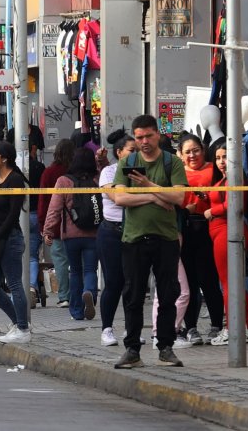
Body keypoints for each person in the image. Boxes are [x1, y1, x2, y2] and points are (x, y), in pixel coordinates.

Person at [111, 114, 188, 369]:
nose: (144, 141)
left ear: (158, 135)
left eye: (148, 136)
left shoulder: (172, 162)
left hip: (166, 238)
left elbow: (178, 196)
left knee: (168, 294)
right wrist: (155, 197)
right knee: (133, 295)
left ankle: (165, 347)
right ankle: (132, 349)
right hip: (133, 238)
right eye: (139, 137)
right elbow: (120, 198)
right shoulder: (129, 162)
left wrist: (147, 184)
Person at [204, 141, 248, 346]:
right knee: (233, 284)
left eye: (225, 157)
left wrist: (212, 211)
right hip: (222, 234)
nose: (222, 162)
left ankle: (233, 328)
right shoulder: (223, 179)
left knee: (229, 285)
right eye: (218, 158)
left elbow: (235, 203)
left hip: (228, 233)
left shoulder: (236, 177)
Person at [177, 134, 224, 345]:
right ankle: (191, 328)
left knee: (210, 280)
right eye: (187, 152)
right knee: (189, 282)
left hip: (209, 227)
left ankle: (216, 325)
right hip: (185, 229)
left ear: (203, 150)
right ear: (180, 155)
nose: (192, 155)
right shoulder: (177, 172)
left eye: (196, 150)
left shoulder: (213, 168)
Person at [0, 141, 30, 344]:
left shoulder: (16, 180)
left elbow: (13, 214)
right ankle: (18, 322)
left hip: (9, 238)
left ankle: (23, 329)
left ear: (5, 158)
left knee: (14, 283)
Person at [44, 147, 99, 321]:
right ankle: (89, 291)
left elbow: (54, 209)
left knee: (75, 271)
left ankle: (76, 310)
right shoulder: (97, 179)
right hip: (94, 233)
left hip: (71, 236)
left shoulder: (64, 181)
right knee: (90, 269)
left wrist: (48, 231)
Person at [96, 129, 135, 346]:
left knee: (133, 282)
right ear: (119, 152)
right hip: (111, 232)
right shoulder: (109, 173)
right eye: (131, 150)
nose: (135, 154)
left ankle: (132, 328)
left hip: (136, 231)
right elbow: (118, 198)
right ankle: (107, 328)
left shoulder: (142, 173)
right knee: (113, 282)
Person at [37, 139, 76, 307]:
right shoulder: (76, 173)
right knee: (76, 262)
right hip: (77, 225)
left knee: (59, 260)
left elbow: (43, 203)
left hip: (56, 225)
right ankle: (79, 293)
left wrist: (44, 227)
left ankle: (64, 296)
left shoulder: (49, 173)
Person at [26, 137, 46, 306]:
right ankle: (32, 287)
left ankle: (20, 288)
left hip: (17, 215)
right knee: (32, 256)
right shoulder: (39, 168)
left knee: (18, 255)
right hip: (35, 214)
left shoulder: (12, 169)